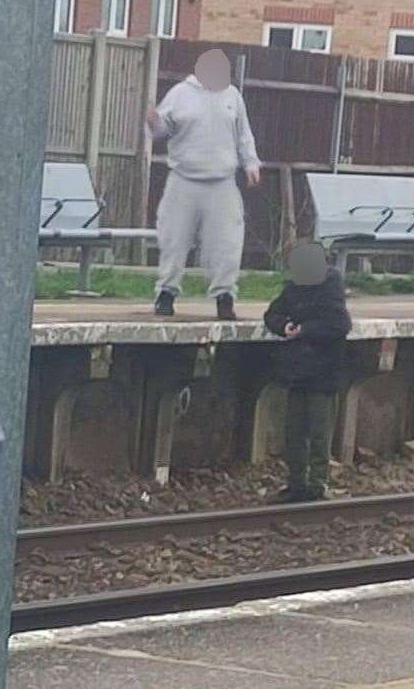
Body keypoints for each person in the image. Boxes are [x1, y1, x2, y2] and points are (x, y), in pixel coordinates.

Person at [146, 48, 261, 320]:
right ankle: (166, 292)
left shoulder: (232, 96)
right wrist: (154, 122)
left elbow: (244, 134)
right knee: (173, 239)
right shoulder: (180, 94)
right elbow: (162, 130)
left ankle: (224, 296)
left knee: (227, 242)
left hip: (222, 181)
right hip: (183, 179)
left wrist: (251, 163)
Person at [262, 241, 352, 503]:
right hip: (298, 372)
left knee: (319, 431)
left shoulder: (330, 289)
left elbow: (339, 325)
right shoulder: (293, 290)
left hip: (323, 372)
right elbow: (272, 314)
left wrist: (305, 329)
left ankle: (317, 483)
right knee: (294, 432)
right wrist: (285, 326)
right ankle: (297, 482)